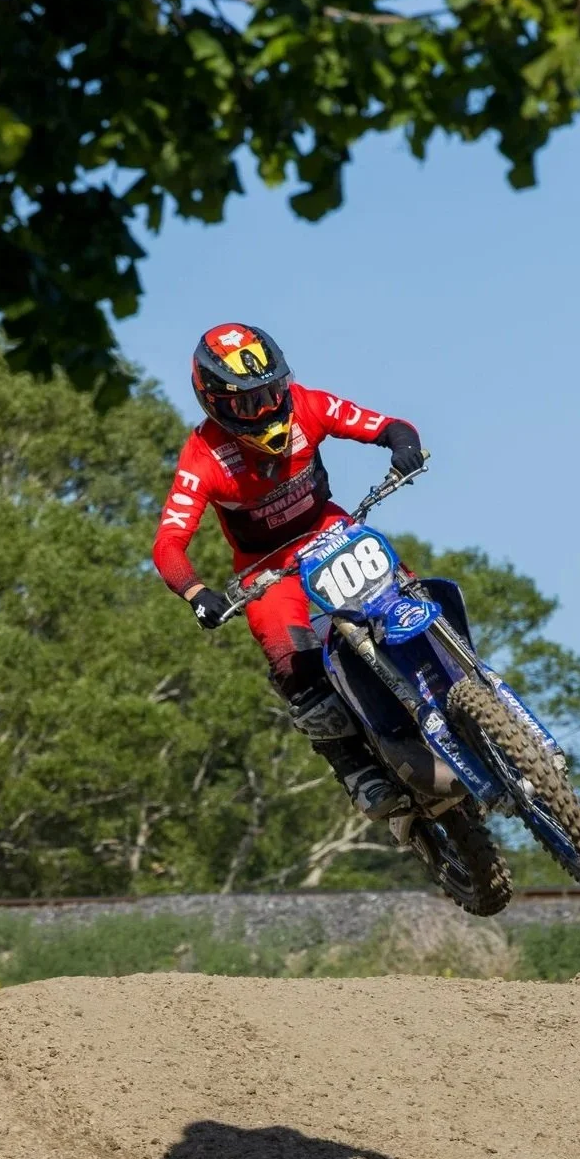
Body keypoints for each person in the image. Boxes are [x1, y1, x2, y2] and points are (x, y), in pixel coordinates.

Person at [152, 323, 427, 819]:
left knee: (410, 595)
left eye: (272, 391)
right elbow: (168, 544)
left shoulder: (307, 404)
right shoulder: (203, 458)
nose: (267, 408)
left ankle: (464, 681)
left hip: (331, 530)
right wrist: (196, 592)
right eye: (247, 403)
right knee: (288, 660)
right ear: (214, 404)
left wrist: (402, 444)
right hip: (265, 569)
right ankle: (357, 771)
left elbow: (387, 425)